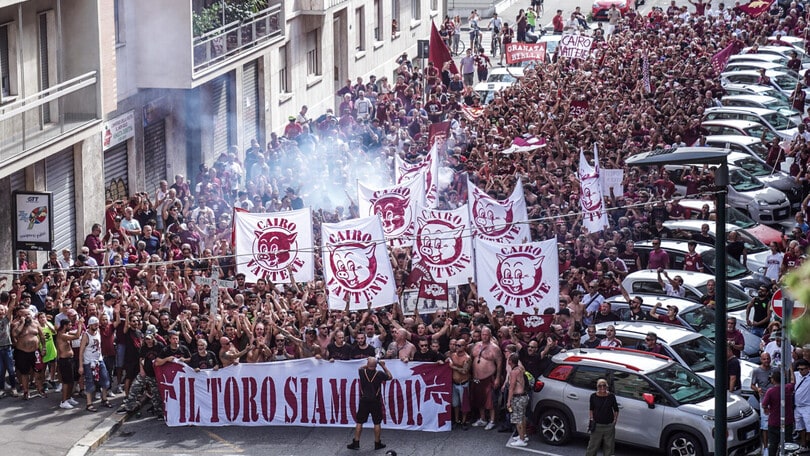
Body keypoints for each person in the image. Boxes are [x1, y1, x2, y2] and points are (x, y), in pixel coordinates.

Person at [347, 357, 392, 451]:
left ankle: (356, 442)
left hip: (364, 400)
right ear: (376, 366)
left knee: (359, 422)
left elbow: (360, 368)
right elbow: (390, 376)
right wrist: (383, 366)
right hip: (375, 401)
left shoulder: (362, 372)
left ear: (368, 365)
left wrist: (369, 363)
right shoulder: (379, 374)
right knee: (377, 422)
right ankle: (377, 443)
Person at [470, 326, 503, 430]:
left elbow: (499, 364)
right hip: (476, 378)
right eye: (483, 334)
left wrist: (497, 378)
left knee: (490, 401)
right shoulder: (476, 345)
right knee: (479, 399)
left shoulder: (495, 348)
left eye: (486, 334)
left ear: (490, 335)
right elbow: (471, 359)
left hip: (489, 377)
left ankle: (492, 420)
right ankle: (482, 419)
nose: (484, 336)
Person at [78, 316, 112, 411]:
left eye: (97, 324)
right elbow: (81, 351)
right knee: (90, 382)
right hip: (89, 362)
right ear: (90, 325)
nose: (96, 326)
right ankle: (89, 404)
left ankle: (104, 399)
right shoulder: (86, 335)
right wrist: (81, 366)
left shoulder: (98, 332)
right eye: (94, 324)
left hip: (99, 360)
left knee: (105, 380)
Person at [11, 307, 45, 400]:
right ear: (20, 316)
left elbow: (42, 336)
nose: (27, 316)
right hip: (22, 352)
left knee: (38, 371)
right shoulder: (16, 324)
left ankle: (40, 389)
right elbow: (15, 334)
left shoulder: (36, 323)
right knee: (24, 373)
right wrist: (22, 323)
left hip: (35, 351)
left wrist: (44, 348)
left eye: (28, 314)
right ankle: (26, 391)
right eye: (25, 315)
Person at [761, 370, 795, 456]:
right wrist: (791, 368)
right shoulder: (787, 388)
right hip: (787, 421)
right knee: (788, 443)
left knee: (773, 444)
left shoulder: (770, 391)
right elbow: (793, 381)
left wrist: (766, 409)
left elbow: (764, 404)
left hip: (774, 422)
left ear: (773, 380)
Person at [750, 352, 776, 454]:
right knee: (765, 425)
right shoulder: (756, 371)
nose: (766, 361)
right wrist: (757, 389)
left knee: (774, 424)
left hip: (775, 401)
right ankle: (765, 447)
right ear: (761, 360)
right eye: (764, 359)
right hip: (764, 400)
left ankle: (774, 444)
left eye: (768, 359)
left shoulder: (775, 370)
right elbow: (752, 385)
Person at [586, 378, 619, 456]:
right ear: (597, 387)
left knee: (609, 448)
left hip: (609, 426)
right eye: (600, 386)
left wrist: (614, 421)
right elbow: (591, 409)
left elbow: (616, 409)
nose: (602, 387)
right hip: (597, 425)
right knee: (592, 447)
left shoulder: (611, 396)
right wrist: (591, 419)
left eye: (604, 385)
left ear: (606, 386)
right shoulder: (593, 396)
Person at [506, 353, 529, 447]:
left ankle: (522, 440)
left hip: (518, 398)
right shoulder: (520, 369)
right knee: (522, 417)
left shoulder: (513, 372)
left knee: (517, 419)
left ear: (510, 361)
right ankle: (523, 435)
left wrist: (508, 401)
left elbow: (511, 387)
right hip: (524, 396)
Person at [449, 338, 472, 429]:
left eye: (459, 345)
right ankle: (457, 420)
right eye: (456, 345)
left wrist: (453, 367)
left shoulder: (467, 358)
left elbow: (465, 371)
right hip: (454, 383)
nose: (457, 347)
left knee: (464, 404)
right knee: (455, 404)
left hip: (463, 384)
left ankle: (464, 421)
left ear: (464, 347)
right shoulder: (453, 355)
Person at [795, 359, 810, 452]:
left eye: (803, 369)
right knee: (800, 427)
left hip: (807, 406)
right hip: (797, 406)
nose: (801, 371)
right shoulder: (796, 375)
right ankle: (803, 445)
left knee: (809, 427)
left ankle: (808, 443)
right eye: (799, 369)